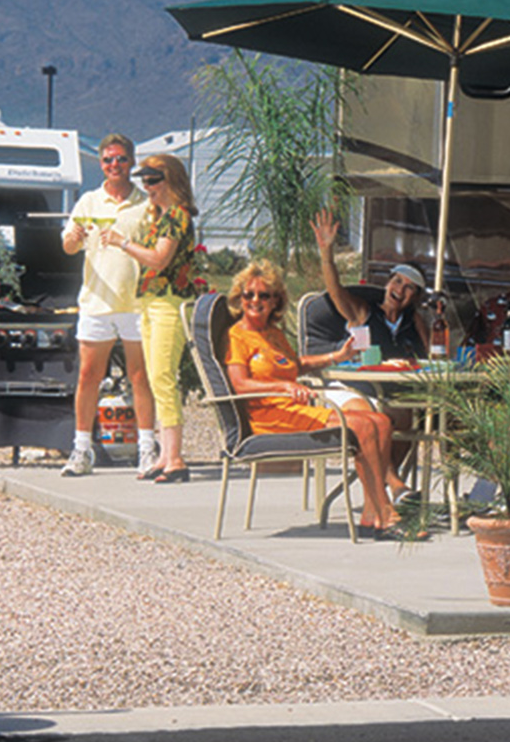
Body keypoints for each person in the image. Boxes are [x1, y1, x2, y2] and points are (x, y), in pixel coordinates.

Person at [224, 259, 405, 536]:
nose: (255, 300)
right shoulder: (238, 336)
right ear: (239, 297)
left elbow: (296, 365)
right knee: (363, 425)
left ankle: (371, 512)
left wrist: (337, 356)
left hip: (296, 410)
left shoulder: (273, 334)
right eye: (249, 294)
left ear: (276, 301)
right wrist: (282, 388)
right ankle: (385, 511)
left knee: (380, 421)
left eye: (264, 295)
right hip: (272, 418)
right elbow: (239, 384)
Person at [60, 134, 156, 478]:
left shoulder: (146, 203)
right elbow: (68, 246)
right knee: (88, 376)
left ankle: (147, 449)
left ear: (131, 163)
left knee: (140, 377)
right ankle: (81, 450)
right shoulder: (88, 200)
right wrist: (73, 237)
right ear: (100, 164)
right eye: (108, 160)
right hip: (96, 301)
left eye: (121, 159)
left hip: (137, 302)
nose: (114, 165)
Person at [108, 152, 203, 482]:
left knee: (163, 376)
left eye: (153, 179)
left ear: (171, 181)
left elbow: (160, 259)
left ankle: (174, 456)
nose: (147, 186)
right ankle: (166, 454)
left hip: (168, 301)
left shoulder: (177, 215)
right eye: (144, 180)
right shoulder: (160, 216)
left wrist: (124, 244)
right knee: (155, 376)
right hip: (150, 301)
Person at [310, 207, 428, 360]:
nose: (400, 289)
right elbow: (335, 292)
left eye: (409, 287)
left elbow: (431, 357)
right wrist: (327, 253)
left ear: (416, 297)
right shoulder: (364, 313)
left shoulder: (413, 321)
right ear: (387, 283)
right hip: (365, 382)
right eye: (397, 281)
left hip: (402, 382)